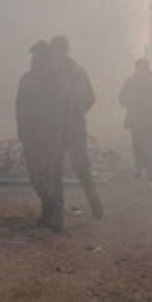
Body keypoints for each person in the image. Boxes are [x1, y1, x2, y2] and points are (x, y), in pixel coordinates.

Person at [49, 35, 103, 220]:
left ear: (55, 50)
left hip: (57, 127)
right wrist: (79, 113)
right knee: (82, 166)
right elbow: (91, 98)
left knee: (55, 168)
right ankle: (94, 202)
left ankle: (57, 213)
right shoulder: (80, 71)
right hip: (77, 125)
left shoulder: (52, 71)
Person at [16, 41, 69, 231]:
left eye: (37, 56)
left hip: (51, 134)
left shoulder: (58, 80)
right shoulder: (27, 79)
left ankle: (54, 217)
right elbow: (20, 106)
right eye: (34, 56)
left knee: (52, 175)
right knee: (36, 175)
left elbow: (65, 109)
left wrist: (58, 129)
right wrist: (22, 130)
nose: (34, 60)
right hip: (32, 134)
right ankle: (50, 209)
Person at [118, 59, 152, 184]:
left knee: (150, 146)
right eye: (139, 68)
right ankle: (139, 169)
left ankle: (150, 172)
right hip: (137, 119)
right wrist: (130, 103)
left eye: (143, 68)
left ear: (147, 68)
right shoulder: (131, 82)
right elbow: (121, 98)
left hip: (150, 119)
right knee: (137, 146)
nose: (141, 70)